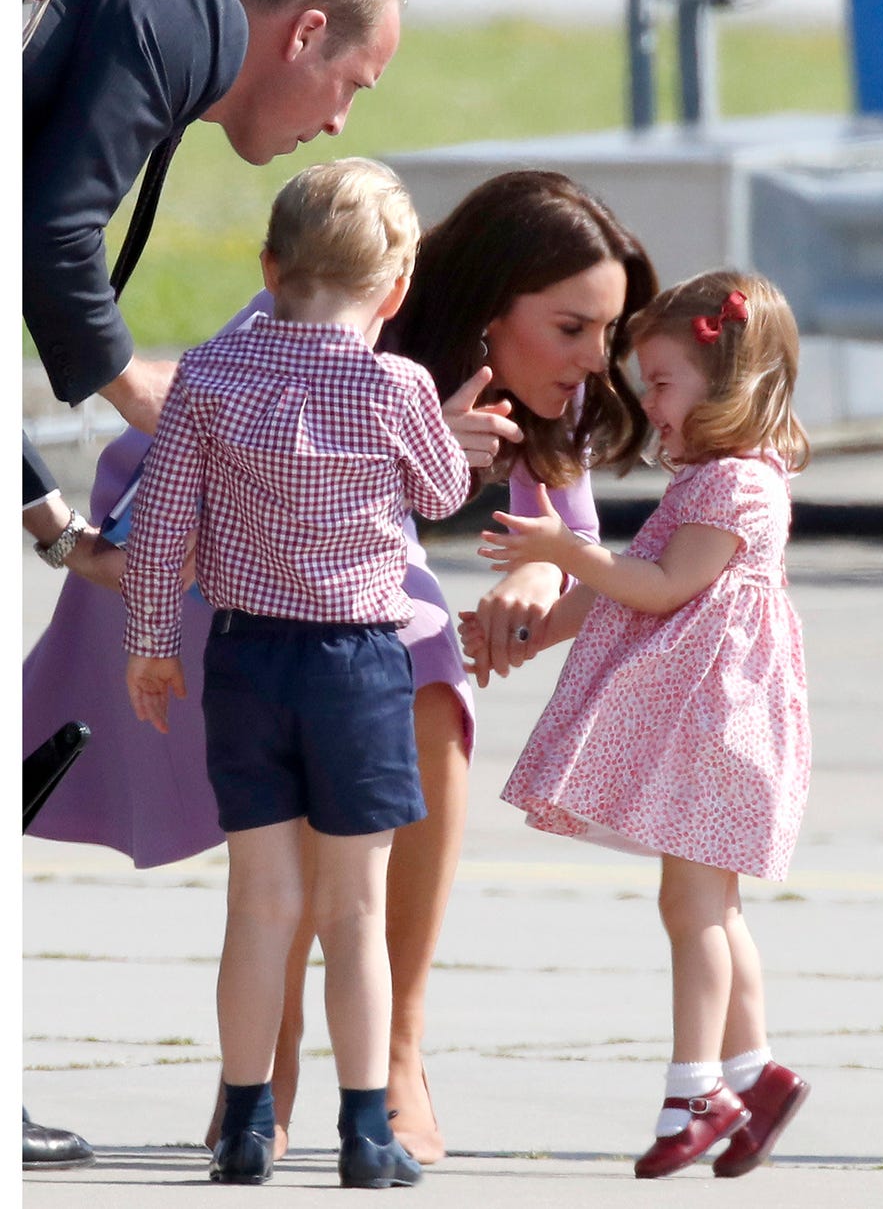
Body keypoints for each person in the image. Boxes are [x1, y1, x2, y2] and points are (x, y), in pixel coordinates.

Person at [24, 170, 659, 1163]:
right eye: (571, 327)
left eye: (608, 334)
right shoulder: (345, 332)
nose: (592, 360)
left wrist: (531, 582)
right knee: (318, 852)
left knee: (417, 692)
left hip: (297, 615)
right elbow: (198, 471)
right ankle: (279, 1074)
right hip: (219, 575)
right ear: (484, 306)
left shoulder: (531, 386)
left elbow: (560, 528)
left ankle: (387, 1054)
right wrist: (441, 442)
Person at [122, 157, 471, 1188]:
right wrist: (443, 431)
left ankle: (242, 1121)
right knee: (352, 910)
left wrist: (148, 643)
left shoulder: (207, 376)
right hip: (360, 663)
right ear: (395, 287)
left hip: (244, 653)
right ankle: (366, 1131)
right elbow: (442, 489)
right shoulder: (394, 383)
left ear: (269, 266)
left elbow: (162, 529)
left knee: (258, 901)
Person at [466, 270, 812, 1180]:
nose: (645, 401)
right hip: (707, 726)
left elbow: (659, 588)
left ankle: (696, 1087)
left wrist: (559, 548)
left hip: (716, 727)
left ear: (728, 382)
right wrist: (538, 629)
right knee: (713, 906)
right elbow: (626, 585)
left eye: (661, 382)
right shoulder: (714, 480)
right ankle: (753, 1071)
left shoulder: (738, 489)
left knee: (692, 907)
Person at [23, 0, 402, 555]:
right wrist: (136, 384)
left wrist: (63, 535)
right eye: (351, 86)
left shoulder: (162, 12)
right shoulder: (197, 16)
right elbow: (51, 238)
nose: (340, 122)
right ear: (307, 33)